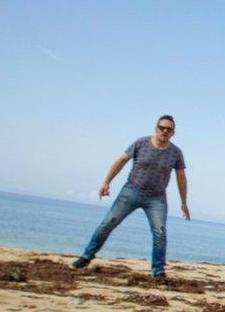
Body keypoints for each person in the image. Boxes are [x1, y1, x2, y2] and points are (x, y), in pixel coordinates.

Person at [71, 115, 189, 278]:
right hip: (131, 191)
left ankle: (158, 270)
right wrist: (107, 182)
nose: (165, 131)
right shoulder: (141, 143)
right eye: (162, 128)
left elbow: (181, 177)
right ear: (156, 129)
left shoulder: (176, 153)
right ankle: (85, 257)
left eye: (169, 129)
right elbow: (121, 161)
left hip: (156, 198)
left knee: (160, 232)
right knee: (107, 224)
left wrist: (184, 202)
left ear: (173, 133)